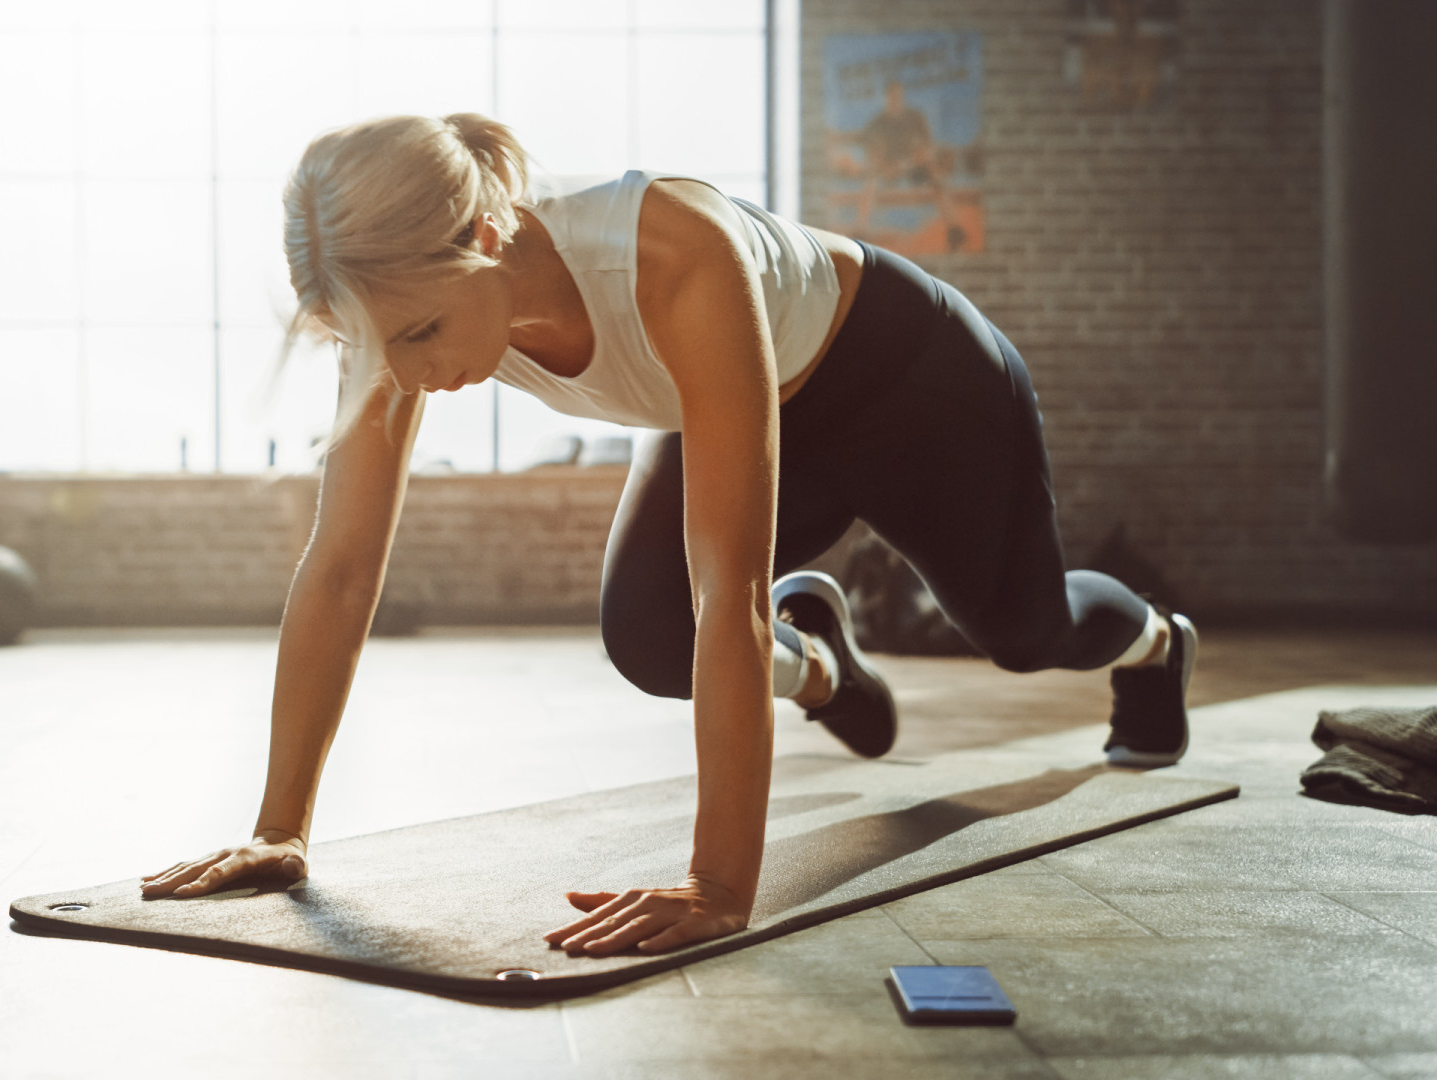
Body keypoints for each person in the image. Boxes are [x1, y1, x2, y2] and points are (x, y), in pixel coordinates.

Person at [139, 113, 1197, 958]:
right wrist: (280, 828)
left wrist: (718, 883)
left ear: (490, 235)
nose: (406, 374)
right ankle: (822, 664)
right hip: (736, 400)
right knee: (648, 638)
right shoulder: (393, 305)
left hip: (914, 384)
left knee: (1021, 628)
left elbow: (728, 589)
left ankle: (1156, 642)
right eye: (379, 345)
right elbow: (338, 570)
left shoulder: (669, 252)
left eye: (420, 334)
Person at [853, 81, 967, 253]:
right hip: (888, 171)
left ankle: (954, 228)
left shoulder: (915, 118)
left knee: (935, 176)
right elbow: (871, 154)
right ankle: (860, 230)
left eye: (898, 97)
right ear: (886, 98)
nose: (895, 101)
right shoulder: (877, 123)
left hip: (914, 167)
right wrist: (885, 168)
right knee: (871, 181)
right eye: (891, 97)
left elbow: (927, 149)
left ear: (902, 97)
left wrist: (908, 163)